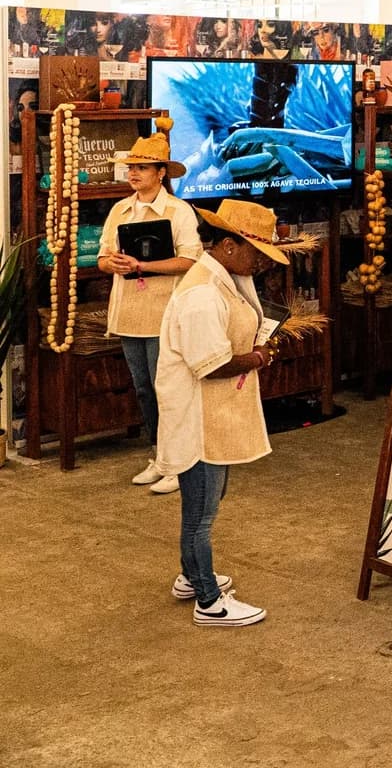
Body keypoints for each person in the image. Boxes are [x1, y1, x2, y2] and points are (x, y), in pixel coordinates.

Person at [155, 199, 287, 627]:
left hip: (211, 414)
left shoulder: (221, 279)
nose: (262, 263)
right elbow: (211, 365)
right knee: (202, 514)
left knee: (201, 505)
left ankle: (191, 578)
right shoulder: (202, 294)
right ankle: (209, 601)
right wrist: (258, 358)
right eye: (256, 253)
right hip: (199, 418)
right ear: (229, 246)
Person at [97, 134, 202, 495]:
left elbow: (190, 259)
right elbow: (101, 258)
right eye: (131, 168)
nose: (134, 174)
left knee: (169, 389)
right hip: (129, 313)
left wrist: (143, 264)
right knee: (144, 388)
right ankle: (159, 456)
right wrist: (115, 263)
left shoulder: (179, 211)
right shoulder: (120, 210)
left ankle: (180, 463)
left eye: (142, 167)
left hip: (166, 313)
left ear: (161, 173)